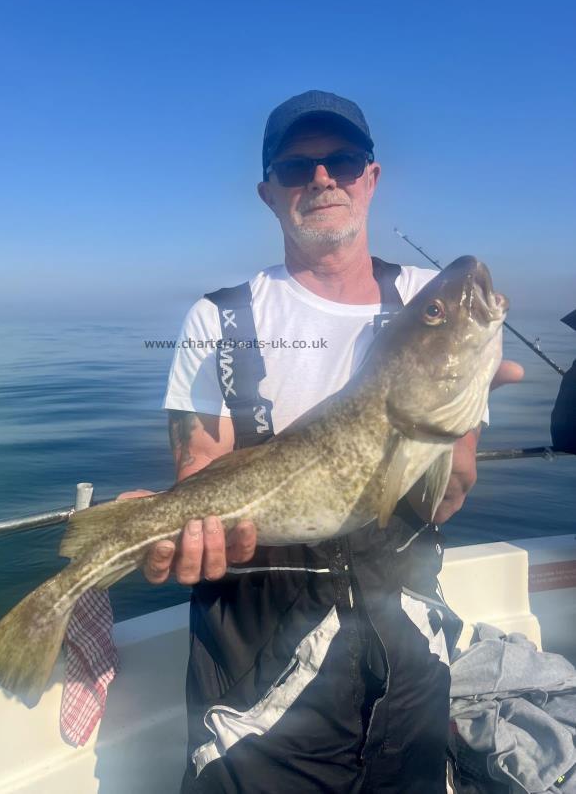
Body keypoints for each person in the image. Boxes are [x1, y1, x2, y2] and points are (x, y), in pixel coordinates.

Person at [120, 91, 523, 793]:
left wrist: (453, 423)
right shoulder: (219, 319)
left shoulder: (430, 302)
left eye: (341, 160)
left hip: (407, 646)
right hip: (256, 664)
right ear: (267, 192)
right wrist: (156, 529)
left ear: (370, 176)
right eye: (296, 167)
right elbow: (199, 472)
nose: (320, 179)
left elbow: (445, 500)